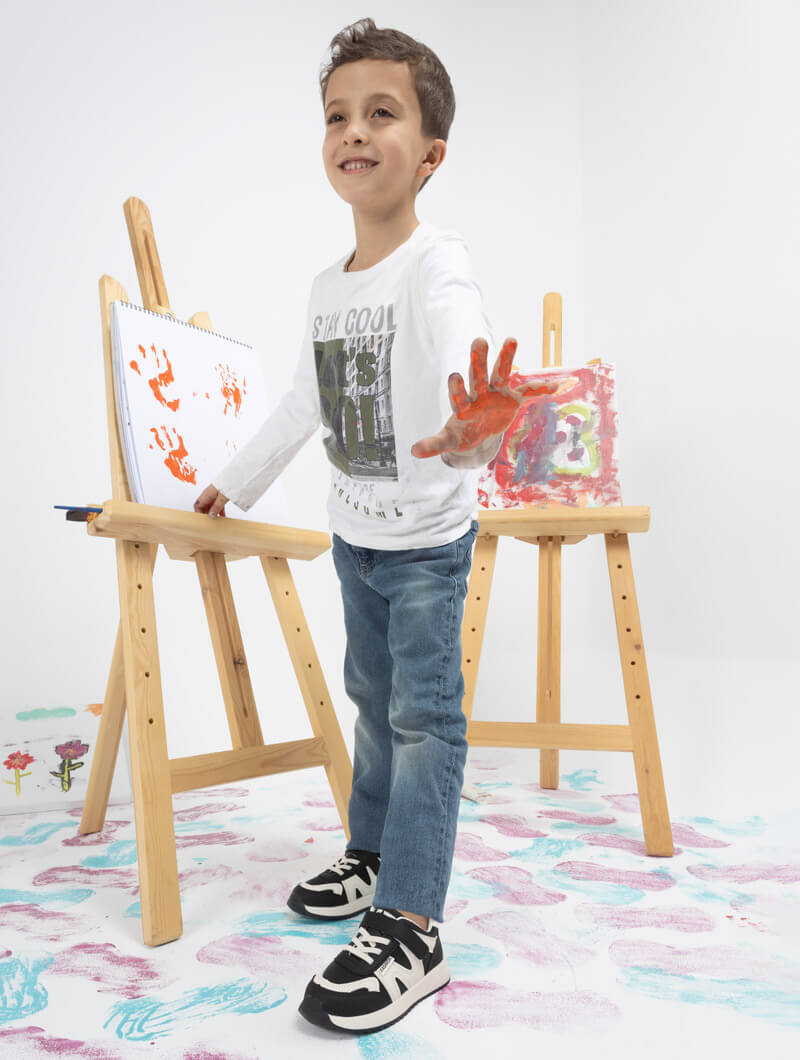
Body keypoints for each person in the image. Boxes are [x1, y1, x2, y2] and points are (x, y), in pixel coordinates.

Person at [194, 17, 543, 1036]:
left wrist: (475, 419)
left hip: (428, 544)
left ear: (429, 155)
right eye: (337, 115)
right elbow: (304, 405)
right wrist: (235, 482)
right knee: (370, 705)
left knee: (423, 723)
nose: (354, 130)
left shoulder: (436, 262)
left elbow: (463, 342)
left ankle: (412, 926)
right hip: (357, 540)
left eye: (381, 113)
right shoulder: (325, 286)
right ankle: (372, 852)